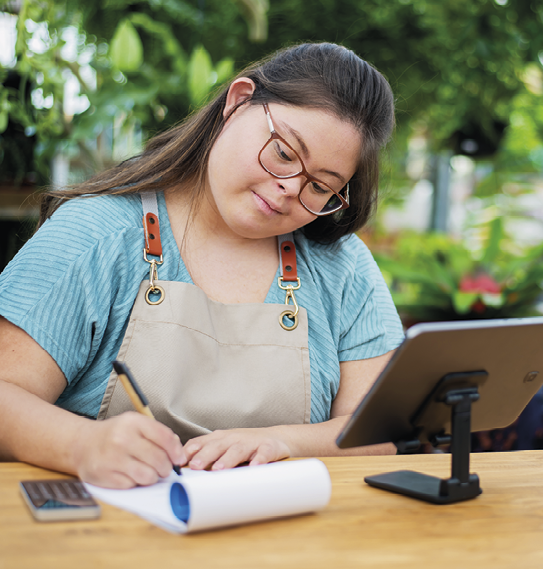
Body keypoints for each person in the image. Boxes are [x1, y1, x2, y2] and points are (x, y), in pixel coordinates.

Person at [0, 42, 404, 488]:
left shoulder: (343, 267)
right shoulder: (96, 234)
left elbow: (379, 433)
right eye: (285, 154)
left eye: (321, 187)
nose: (290, 188)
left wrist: (283, 442)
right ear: (238, 101)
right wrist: (81, 444)